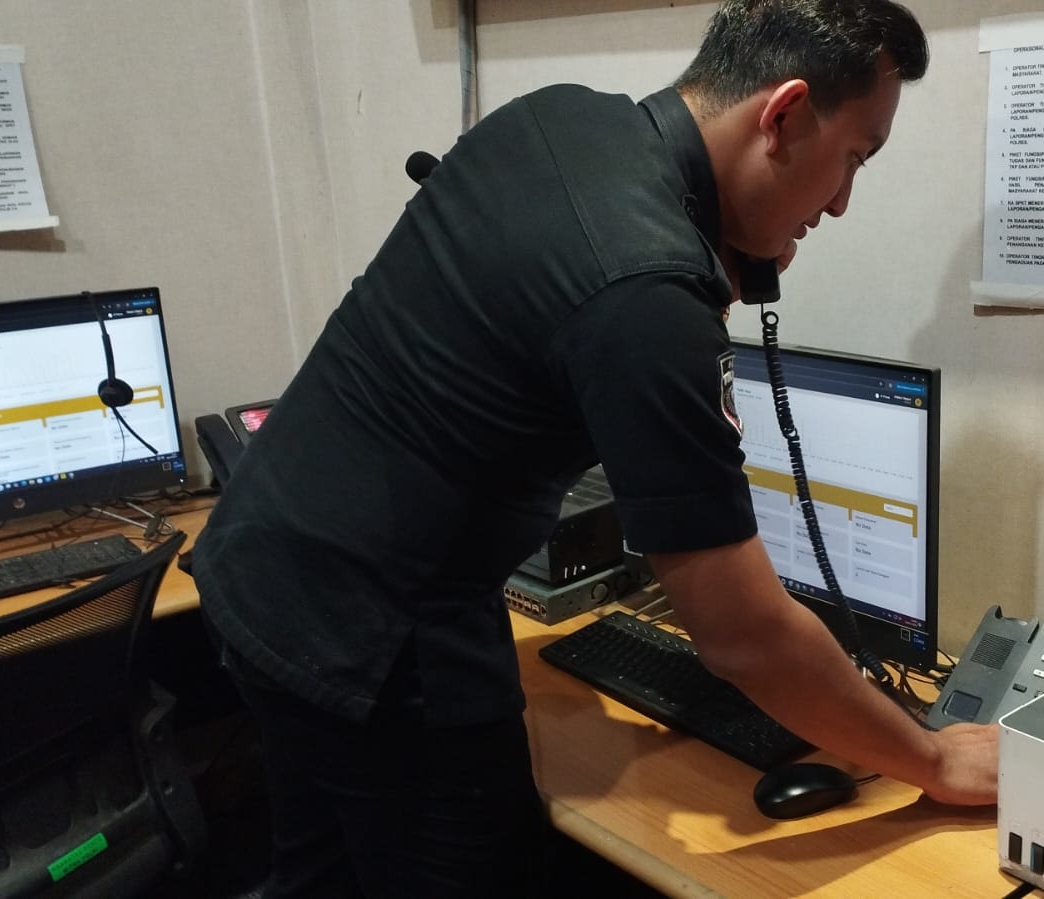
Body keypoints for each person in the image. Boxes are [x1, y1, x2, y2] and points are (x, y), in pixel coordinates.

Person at [192, 0, 999, 894]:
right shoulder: (646, 289)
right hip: (373, 637)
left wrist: (708, 272)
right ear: (782, 115)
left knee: (322, 873)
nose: (842, 201)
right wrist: (932, 759)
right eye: (853, 157)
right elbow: (741, 636)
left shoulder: (559, 118)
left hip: (257, 567)